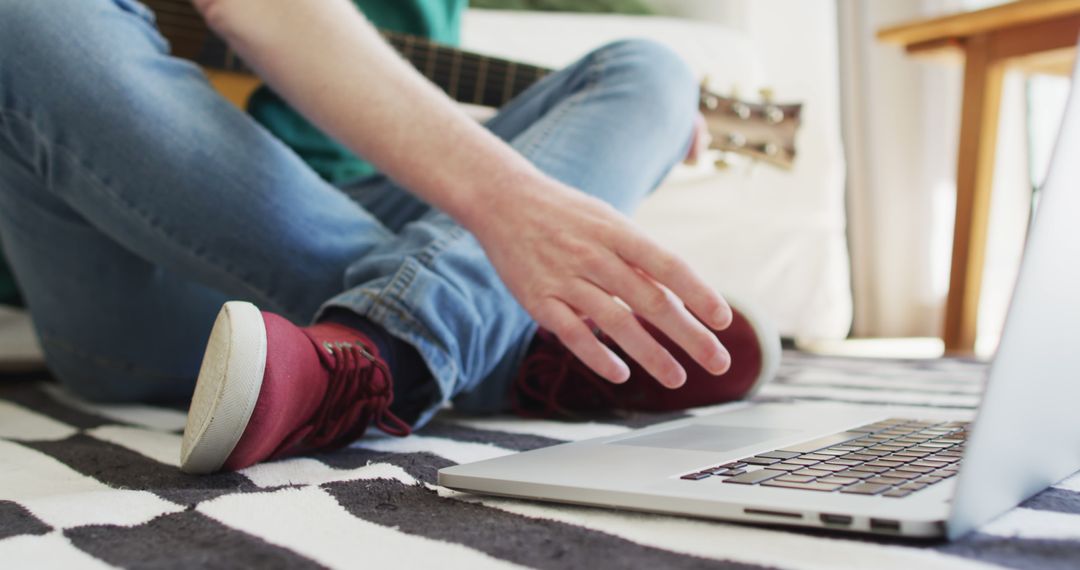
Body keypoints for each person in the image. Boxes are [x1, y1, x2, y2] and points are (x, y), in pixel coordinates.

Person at [0, 0, 779, 474]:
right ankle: (487, 346)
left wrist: (641, 121)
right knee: (31, 17)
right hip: (143, 269)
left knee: (655, 73)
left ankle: (371, 355)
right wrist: (508, 204)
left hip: (369, 209)